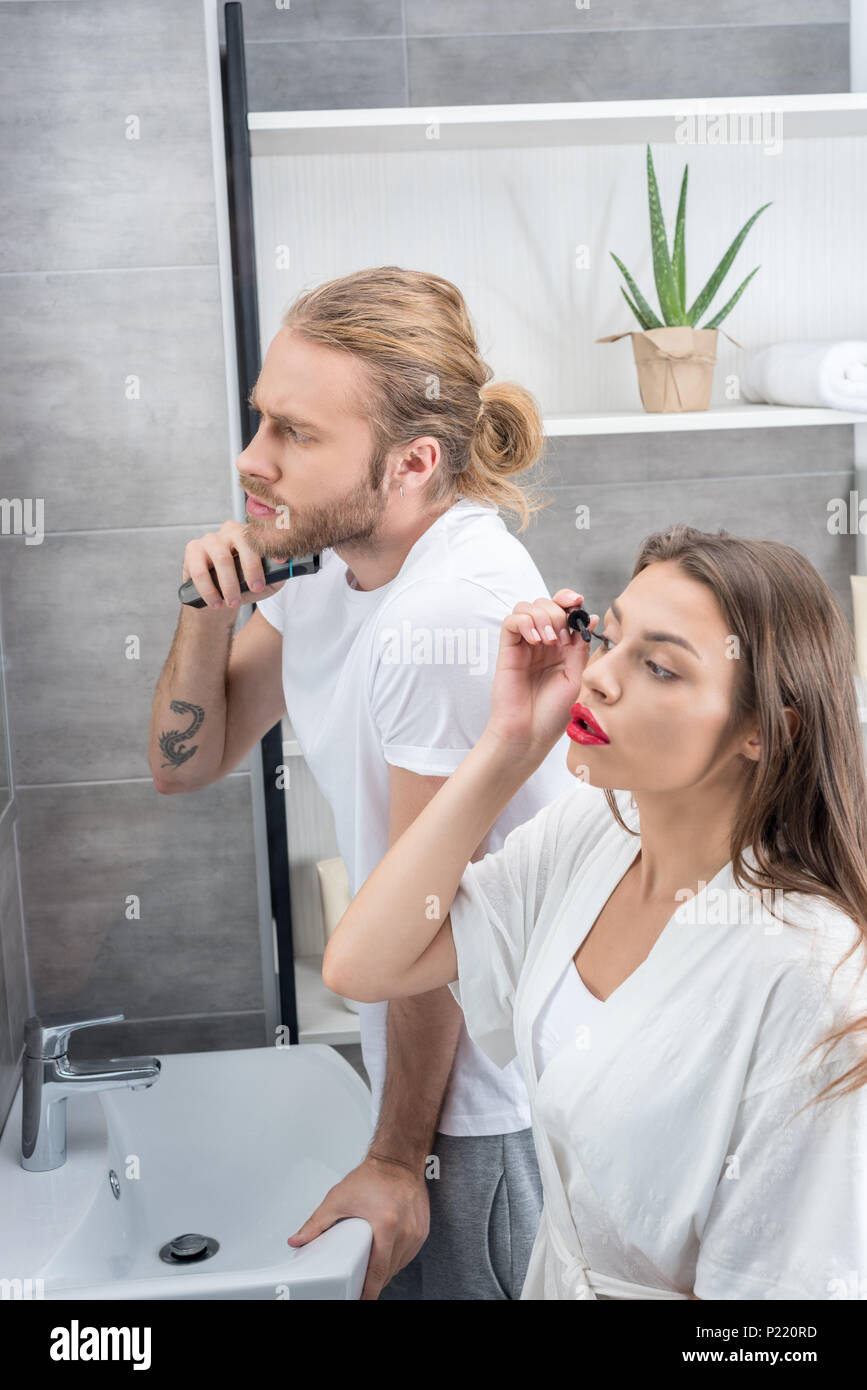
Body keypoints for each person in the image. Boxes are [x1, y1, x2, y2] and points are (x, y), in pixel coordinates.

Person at [148, 266, 579, 1299]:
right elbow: (186, 762)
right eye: (261, 419)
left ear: (413, 462)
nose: (253, 461)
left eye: (295, 433)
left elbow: (428, 929)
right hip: (427, 1093)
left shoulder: (448, 615)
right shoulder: (339, 564)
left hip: (478, 1112)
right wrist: (206, 607)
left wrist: (397, 1158)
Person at [324, 523, 867, 1300]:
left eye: (658, 667)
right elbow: (366, 964)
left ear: (763, 732)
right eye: (608, 638)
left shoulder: (809, 978)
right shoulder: (595, 834)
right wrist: (506, 747)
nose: (600, 678)